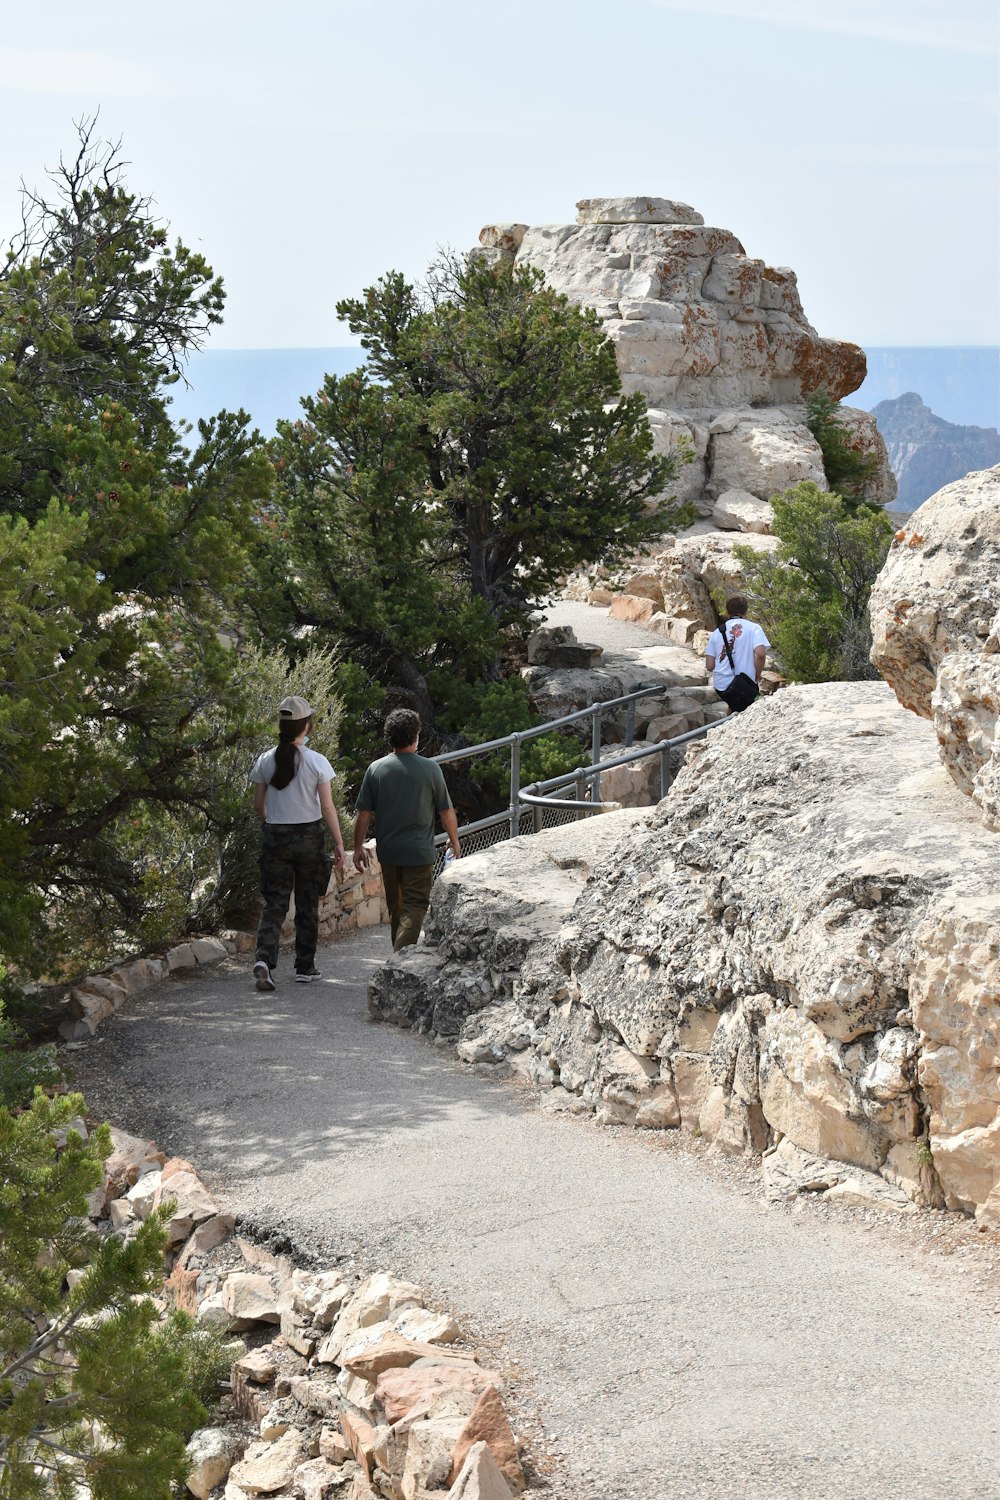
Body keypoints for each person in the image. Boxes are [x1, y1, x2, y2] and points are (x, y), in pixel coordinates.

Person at [249, 695, 345, 992]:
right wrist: (339, 844)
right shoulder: (317, 762)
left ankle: (265, 960)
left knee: (275, 902)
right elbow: (328, 807)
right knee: (307, 902)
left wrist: (270, 823)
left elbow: (258, 805)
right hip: (309, 837)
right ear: (307, 726)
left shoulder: (266, 760)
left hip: (276, 836)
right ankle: (305, 966)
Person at [353, 708, 461, 950]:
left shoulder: (376, 769)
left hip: (389, 852)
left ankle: (396, 960)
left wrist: (358, 848)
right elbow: (446, 812)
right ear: (416, 736)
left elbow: (363, 814)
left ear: (389, 737)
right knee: (416, 906)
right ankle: (400, 959)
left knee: (397, 909)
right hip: (419, 852)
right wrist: (455, 841)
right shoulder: (430, 769)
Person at [705, 595, 770, 714]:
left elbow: (710, 666)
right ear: (746, 611)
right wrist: (757, 676)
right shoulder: (754, 628)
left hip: (721, 685)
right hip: (745, 682)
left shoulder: (716, 632)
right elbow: (760, 654)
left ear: (727, 611)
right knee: (747, 708)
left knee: (734, 703)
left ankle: (725, 725)